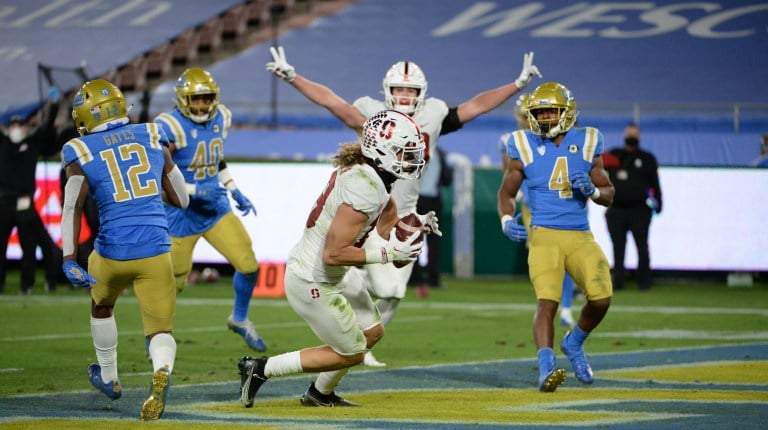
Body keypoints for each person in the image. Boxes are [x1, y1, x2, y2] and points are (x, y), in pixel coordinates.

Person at [266, 45, 541, 366]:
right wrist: (294, 78)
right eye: (398, 89)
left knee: (393, 291)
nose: (405, 96)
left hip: (402, 214)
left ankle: (361, 340)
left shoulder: (433, 114)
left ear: (422, 93)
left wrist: (517, 85)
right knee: (343, 262)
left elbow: (476, 106)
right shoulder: (373, 114)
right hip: (367, 208)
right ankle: (346, 331)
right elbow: (333, 103)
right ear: (386, 91)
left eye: (411, 90)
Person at [237, 110, 436, 408]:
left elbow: (384, 221)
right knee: (353, 351)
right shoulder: (365, 187)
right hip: (313, 279)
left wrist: (411, 227)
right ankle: (261, 368)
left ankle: (319, 393)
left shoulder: (373, 177)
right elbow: (333, 254)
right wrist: (390, 252)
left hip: (331, 273)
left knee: (371, 333)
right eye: (402, 152)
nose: (410, 159)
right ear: (381, 151)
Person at [60, 79, 189, 420]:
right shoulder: (151, 135)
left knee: (101, 306)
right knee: (160, 331)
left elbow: (72, 205)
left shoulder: (81, 149)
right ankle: (161, 368)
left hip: (113, 253)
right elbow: (182, 198)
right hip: (157, 249)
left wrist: (69, 257)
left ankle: (109, 376)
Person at [497, 81, 615, 392]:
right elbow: (506, 192)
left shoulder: (589, 140)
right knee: (546, 301)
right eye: (540, 112)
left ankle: (574, 342)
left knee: (602, 297)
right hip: (543, 234)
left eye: (551, 111)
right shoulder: (521, 143)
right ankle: (546, 367)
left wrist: (593, 191)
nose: (546, 118)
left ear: (567, 112)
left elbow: (608, 193)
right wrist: (506, 219)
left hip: (579, 235)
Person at [154, 67, 266, 351]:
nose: (203, 105)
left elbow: (215, 158)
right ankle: (158, 333)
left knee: (248, 265)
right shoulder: (169, 125)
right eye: (196, 99)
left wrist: (233, 187)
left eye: (207, 98)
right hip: (180, 212)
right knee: (174, 283)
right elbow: (157, 172)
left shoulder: (222, 117)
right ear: (183, 99)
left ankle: (239, 319)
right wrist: (193, 190)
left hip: (214, 208)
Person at [498, 93, 576, 327]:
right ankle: (547, 304)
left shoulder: (558, 137)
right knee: (544, 258)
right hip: (533, 204)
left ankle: (568, 307)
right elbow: (508, 175)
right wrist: (519, 191)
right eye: (523, 116)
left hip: (561, 203)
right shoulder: (511, 140)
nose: (525, 120)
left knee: (567, 257)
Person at [0, 86, 62, 294]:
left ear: (26, 127)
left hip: (25, 203)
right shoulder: (2, 145)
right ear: (7, 127)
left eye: (20, 124)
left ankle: (26, 284)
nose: (16, 128)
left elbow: (46, 131)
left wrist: (53, 107)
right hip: (3, 201)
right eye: (13, 124)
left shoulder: (33, 144)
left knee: (29, 246)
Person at [602, 123, 662, 291]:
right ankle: (618, 281)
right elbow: (596, 166)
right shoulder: (615, 155)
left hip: (640, 209)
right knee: (618, 247)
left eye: (634, 135)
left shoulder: (647, 158)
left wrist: (658, 203)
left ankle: (644, 282)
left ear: (639, 137)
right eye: (629, 134)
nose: (631, 138)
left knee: (642, 246)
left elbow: (655, 184)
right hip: (617, 210)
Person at [407, 146, 452, 298]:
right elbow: (447, 179)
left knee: (414, 238)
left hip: (421, 199)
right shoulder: (439, 153)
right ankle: (427, 278)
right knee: (428, 239)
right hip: (427, 199)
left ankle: (417, 277)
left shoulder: (418, 151)